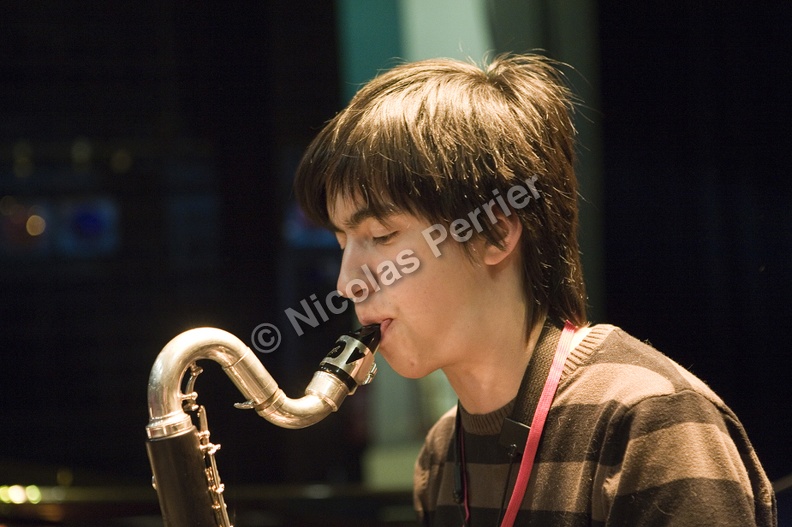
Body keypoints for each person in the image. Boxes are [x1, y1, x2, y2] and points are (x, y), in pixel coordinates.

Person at [293, 54, 776, 526]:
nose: (347, 282)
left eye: (381, 237)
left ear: (495, 234)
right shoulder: (442, 453)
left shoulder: (649, 423)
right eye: (342, 243)